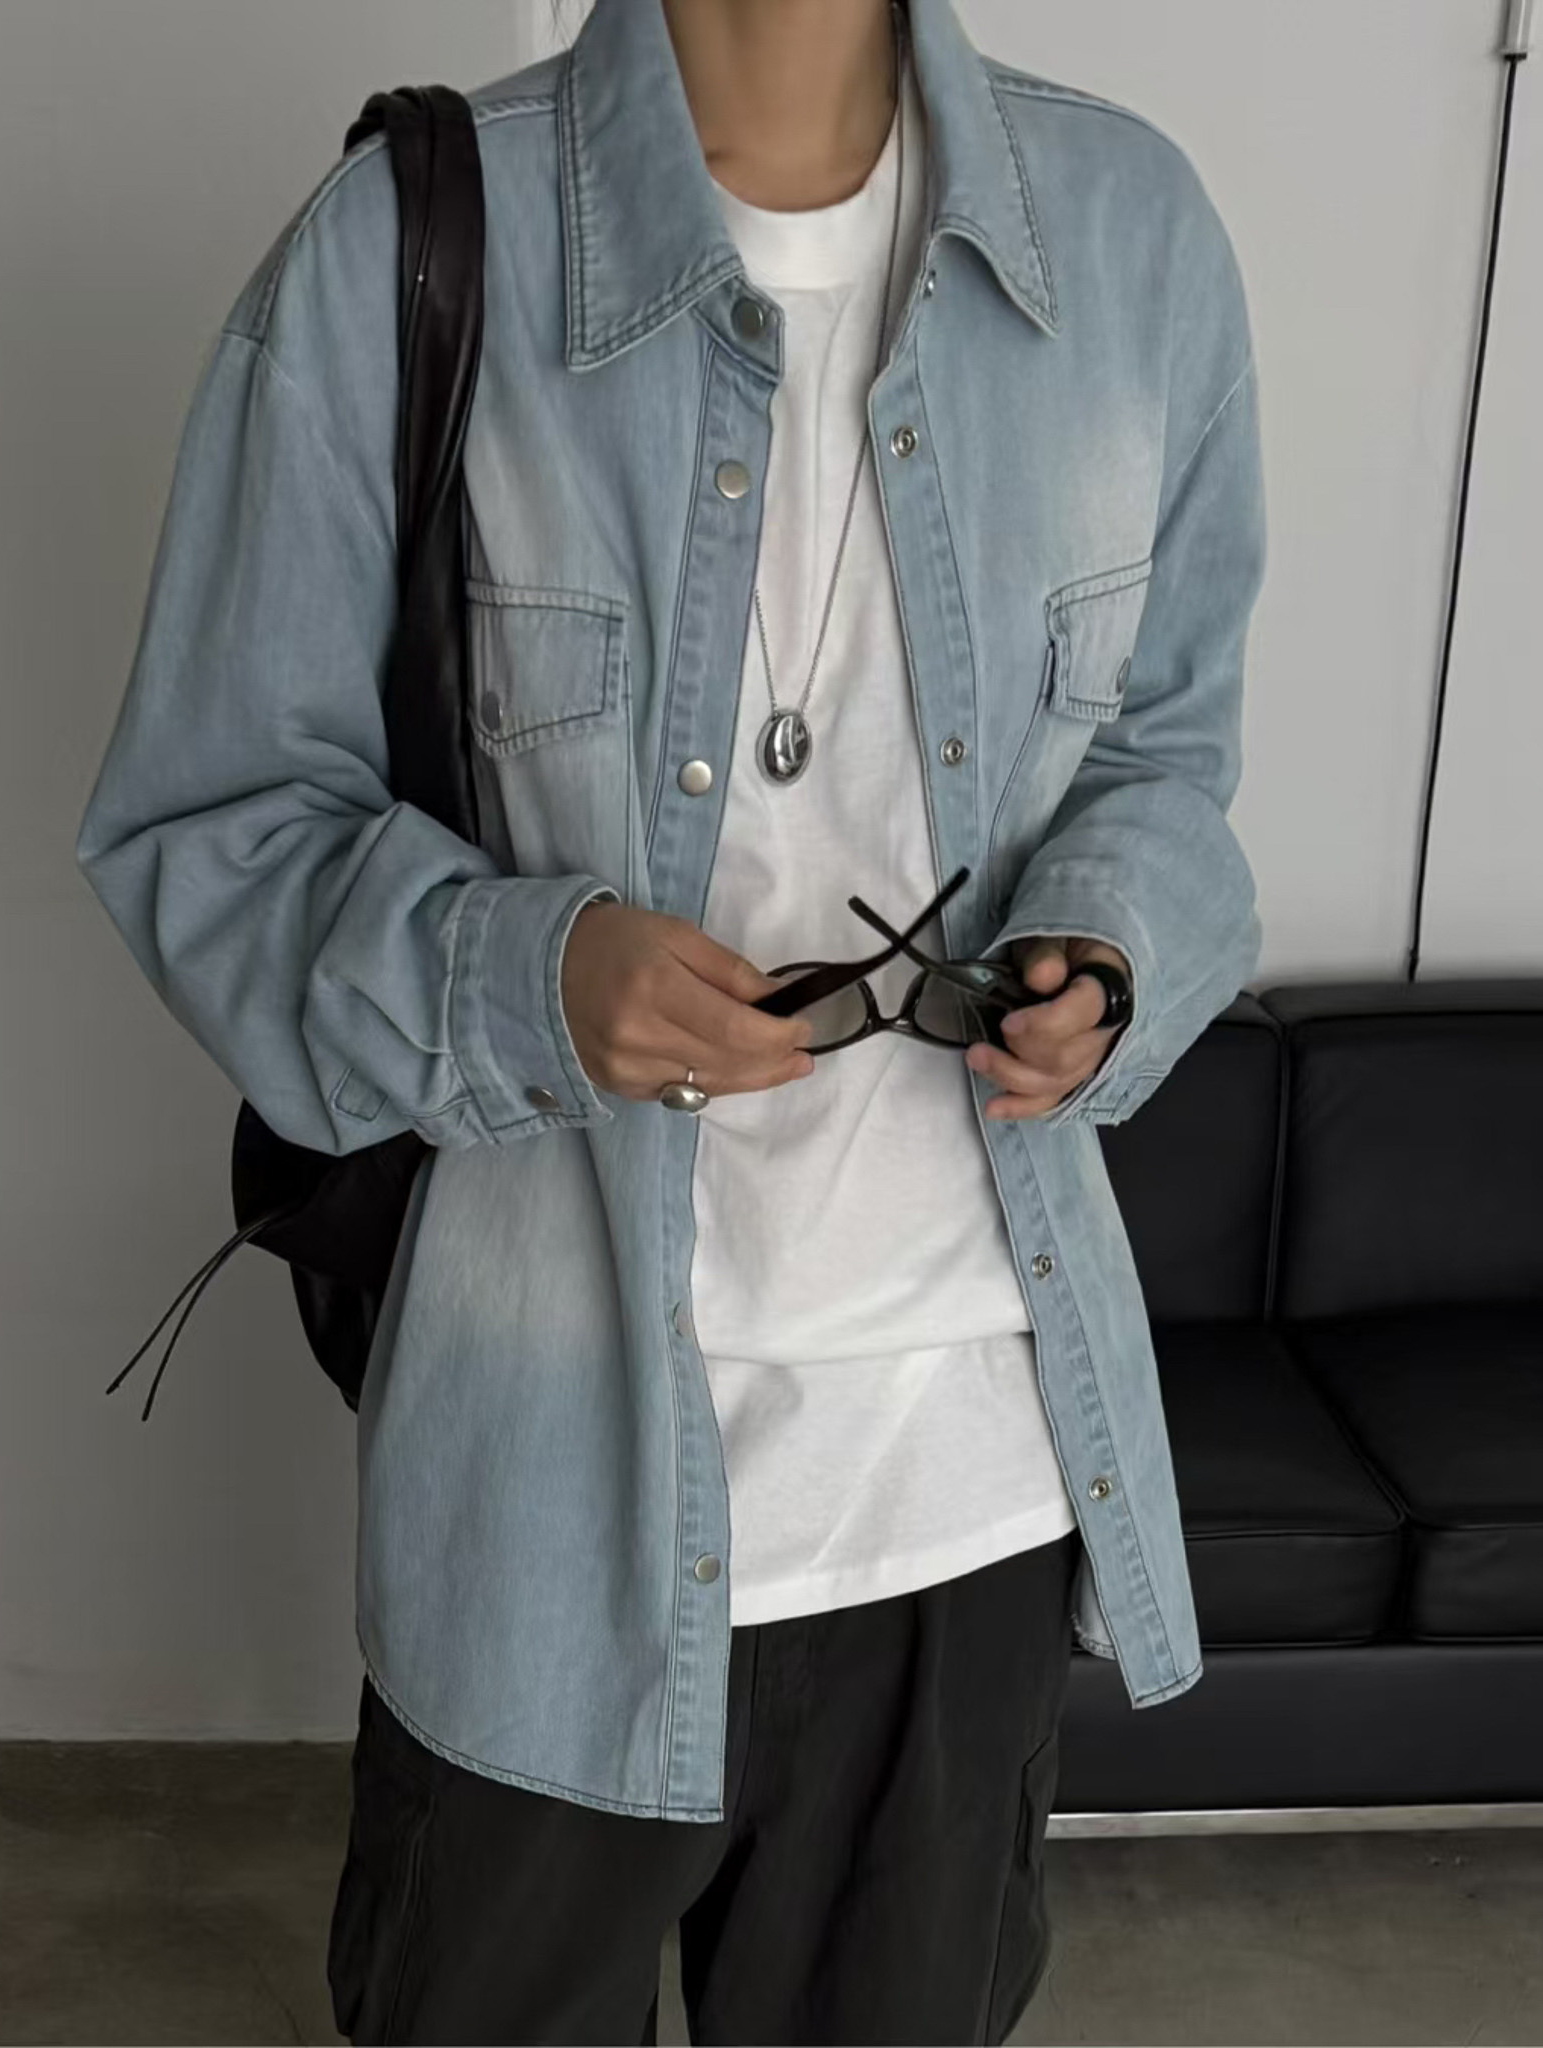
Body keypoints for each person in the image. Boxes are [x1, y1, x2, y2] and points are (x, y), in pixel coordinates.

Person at [75, 0, 1266, 2039]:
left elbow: (1168, 759)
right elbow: (210, 828)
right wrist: (524, 974)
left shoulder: (1129, 235)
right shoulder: (399, 248)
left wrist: (1107, 953)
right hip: (547, 1499)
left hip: (969, 1484)